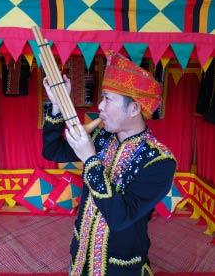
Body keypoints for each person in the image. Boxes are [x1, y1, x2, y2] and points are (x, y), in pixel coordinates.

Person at [42, 51, 176, 276]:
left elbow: (120, 217)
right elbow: (52, 151)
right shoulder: (101, 137)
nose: (100, 106)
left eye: (107, 99)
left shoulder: (159, 161)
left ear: (134, 109)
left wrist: (90, 159)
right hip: (80, 258)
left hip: (120, 267)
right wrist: (57, 105)